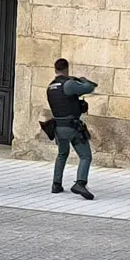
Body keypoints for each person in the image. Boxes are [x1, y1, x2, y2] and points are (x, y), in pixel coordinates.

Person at [46, 58, 97, 200]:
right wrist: (84, 80)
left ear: (55, 69)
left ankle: (56, 184)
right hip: (72, 127)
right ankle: (80, 183)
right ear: (67, 69)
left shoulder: (50, 87)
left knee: (62, 154)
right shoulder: (68, 84)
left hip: (58, 128)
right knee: (85, 156)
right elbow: (88, 88)